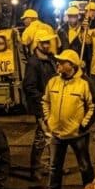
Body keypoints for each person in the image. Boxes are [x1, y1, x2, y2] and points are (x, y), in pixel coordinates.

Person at [40, 49, 95, 189]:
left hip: (78, 134)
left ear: (71, 65)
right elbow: (46, 101)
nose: (58, 64)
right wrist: (48, 119)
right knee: (54, 167)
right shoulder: (53, 82)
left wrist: (83, 125)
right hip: (57, 134)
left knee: (85, 166)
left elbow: (94, 106)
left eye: (62, 62)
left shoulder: (84, 83)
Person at [23, 32, 59, 181]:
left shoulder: (50, 59)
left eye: (48, 42)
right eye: (43, 43)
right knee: (41, 137)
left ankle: (52, 166)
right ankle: (36, 169)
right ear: (38, 44)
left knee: (53, 137)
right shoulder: (34, 63)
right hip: (42, 106)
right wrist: (42, 103)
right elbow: (29, 87)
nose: (46, 45)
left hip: (52, 105)